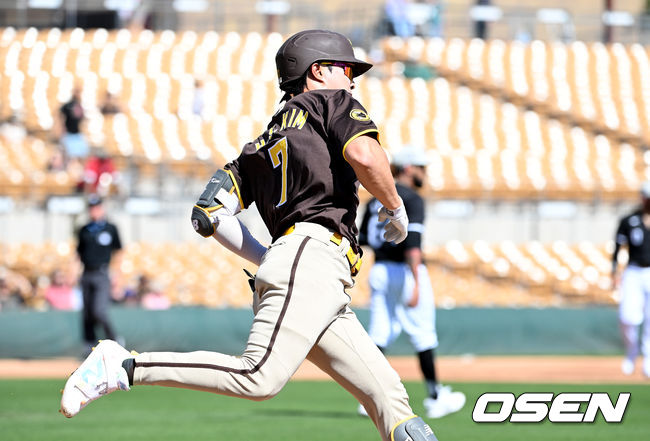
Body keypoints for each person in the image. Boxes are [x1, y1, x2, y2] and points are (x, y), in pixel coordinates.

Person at [61, 29, 439, 441]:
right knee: (258, 376)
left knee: (392, 405)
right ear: (318, 70)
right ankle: (124, 366)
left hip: (308, 270)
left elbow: (208, 214)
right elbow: (365, 155)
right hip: (312, 258)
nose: (351, 79)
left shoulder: (259, 143)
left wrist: (274, 259)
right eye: (346, 68)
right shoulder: (332, 101)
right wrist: (394, 205)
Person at [358, 145, 465, 418]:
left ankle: (366, 397)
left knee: (380, 333)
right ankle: (435, 395)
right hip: (404, 270)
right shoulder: (410, 198)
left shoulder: (372, 200)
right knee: (423, 333)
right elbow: (413, 245)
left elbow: (361, 239)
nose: (424, 173)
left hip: (379, 269)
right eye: (421, 168)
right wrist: (416, 281)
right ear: (408, 168)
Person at [612, 181, 650, 378]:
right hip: (634, 271)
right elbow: (617, 249)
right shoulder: (629, 220)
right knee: (627, 317)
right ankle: (632, 350)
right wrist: (614, 272)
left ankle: (648, 361)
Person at [75, 195, 123, 351]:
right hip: (86, 273)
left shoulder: (110, 228)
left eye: (96, 207)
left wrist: (118, 275)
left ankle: (114, 340)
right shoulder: (84, 229)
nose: (94, 211)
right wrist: (73, 272)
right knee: (87, 313)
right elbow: (78, 253)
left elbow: (119, 252)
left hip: (102, 273)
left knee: (99, 311)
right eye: (91, 208)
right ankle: (89, 344)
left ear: (102, 208)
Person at [59, 87, 89, 159]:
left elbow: (83, 120)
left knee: (82, 155)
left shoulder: (81, 106)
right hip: (69, 134)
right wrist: (61, 128)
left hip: (78, 134)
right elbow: (61, 115)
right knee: (69, 156)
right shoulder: (67, 106)